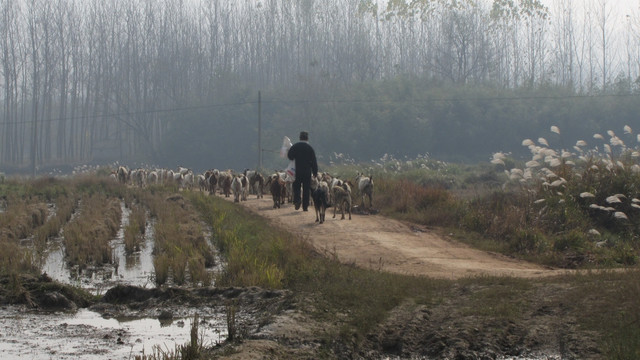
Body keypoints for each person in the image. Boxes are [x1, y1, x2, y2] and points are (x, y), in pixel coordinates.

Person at [287, 131, 318, 211]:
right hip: (307, 172)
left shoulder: (295, 146)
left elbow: (290, 156)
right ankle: (305, 206)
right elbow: (314, 161)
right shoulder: (310, 148)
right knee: (306, 189)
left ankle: (297, 200)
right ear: (307, 138)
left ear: (300, 138)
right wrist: (315, 172)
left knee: (296, 186)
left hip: (297, 171)